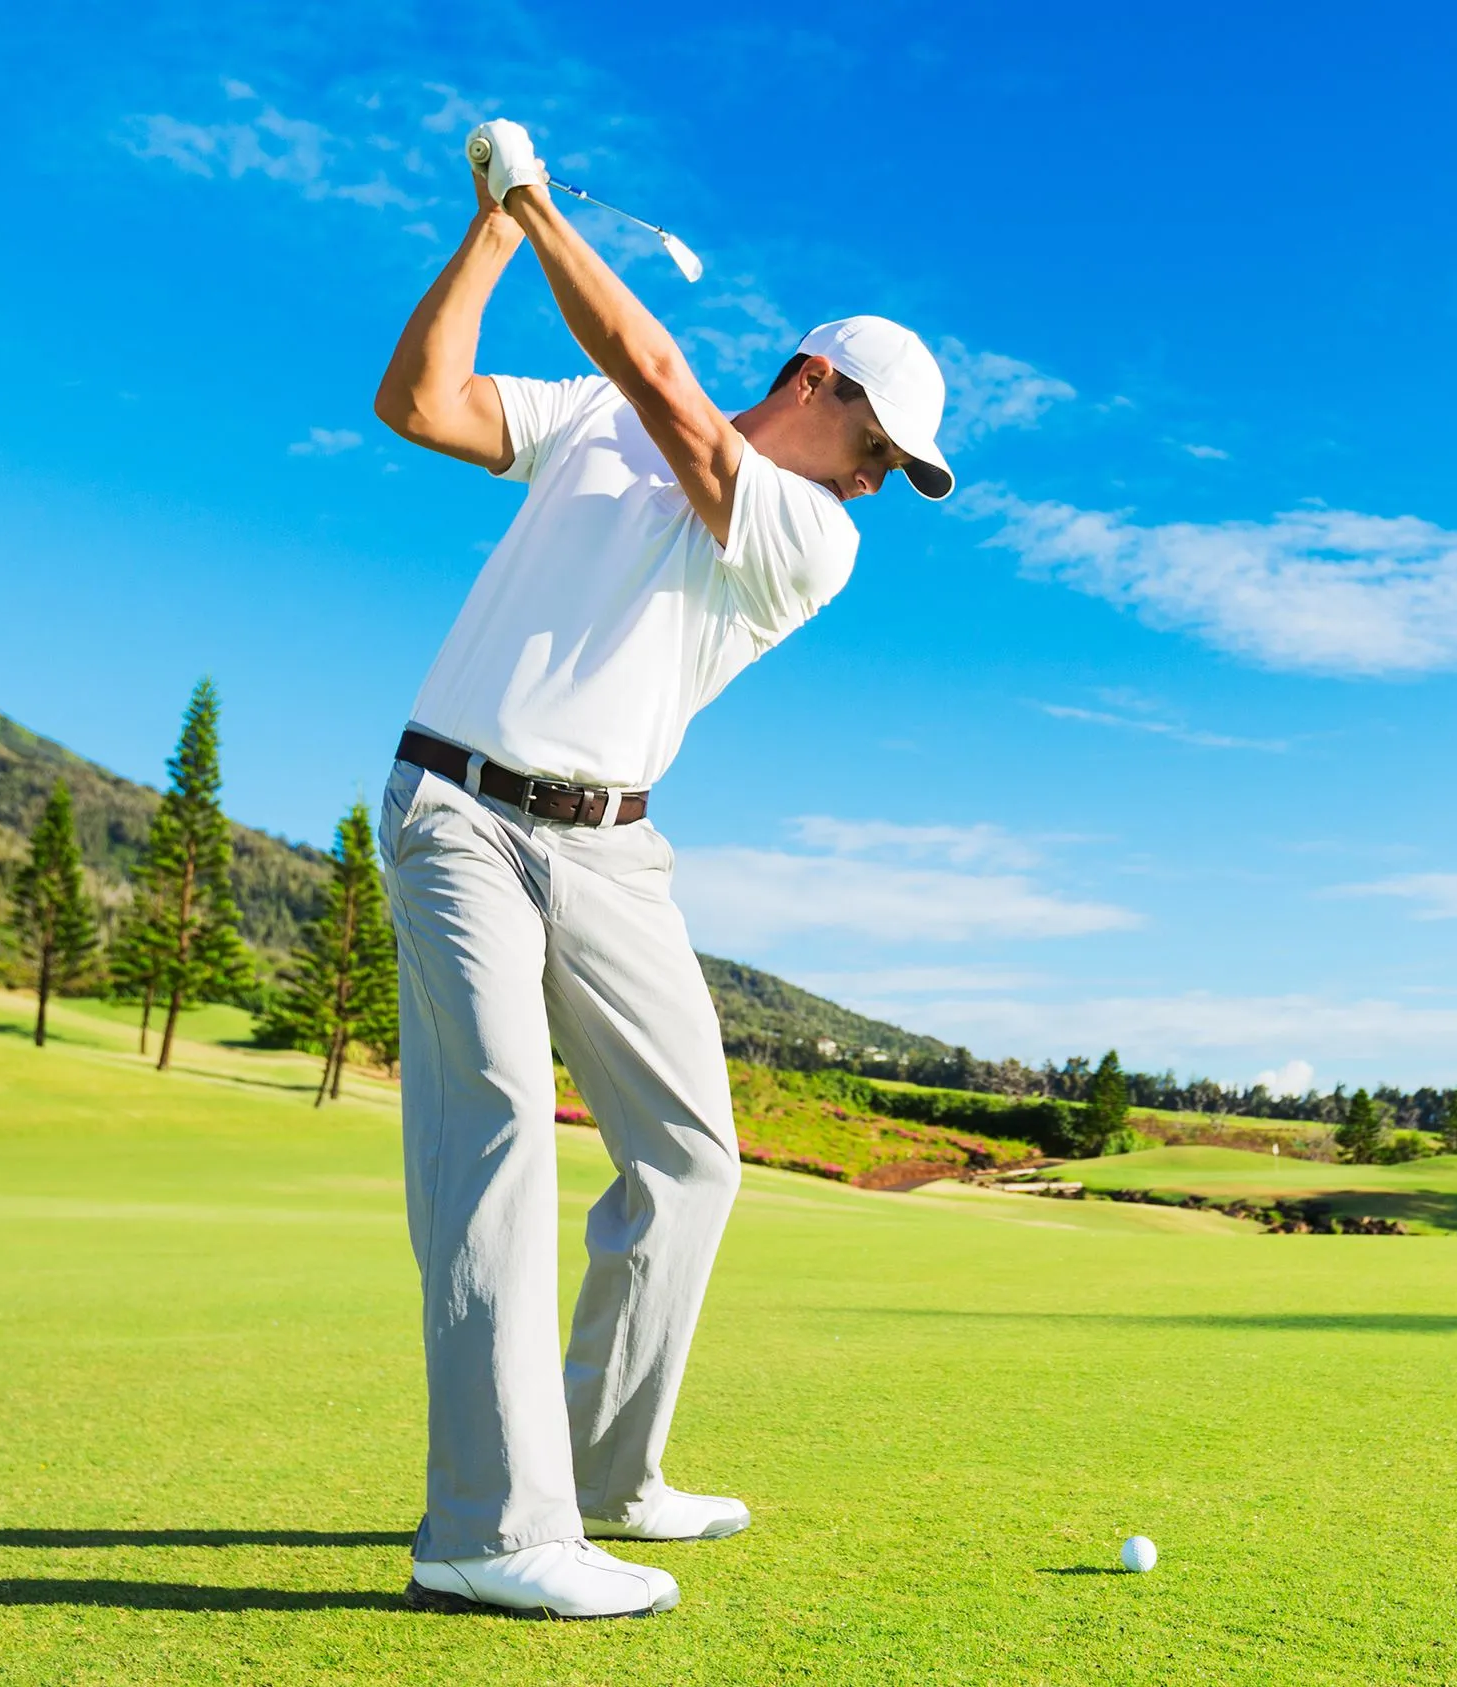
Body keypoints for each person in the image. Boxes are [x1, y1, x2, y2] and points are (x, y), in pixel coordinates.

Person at [370, 118, 952, 1620]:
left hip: (617, 849)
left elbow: (677, 401)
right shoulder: (589, 423)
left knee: (692, 1155)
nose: (883, 480)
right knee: (495, 1121)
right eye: (879, 444)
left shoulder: (812, 535)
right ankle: (489, 1528)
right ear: (817, 382)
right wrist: (495, 233)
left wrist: (544, 209)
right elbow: (419, 402)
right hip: (461, 812)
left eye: (898, 468)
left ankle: (607, 1472)